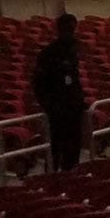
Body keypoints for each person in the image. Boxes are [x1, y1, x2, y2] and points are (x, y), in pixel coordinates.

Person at [31, 13, 88, 171]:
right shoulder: (48, 54)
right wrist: (49, 105)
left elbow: (73, 79)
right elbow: (39, 83)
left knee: (73, 145)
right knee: (56, 146)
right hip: (57, 109)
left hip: (73, 107)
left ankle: (71, 173)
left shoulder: (73, 50)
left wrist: (79, 100)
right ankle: (54, 176)